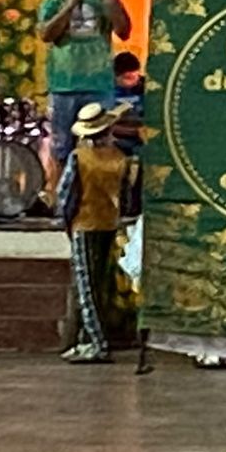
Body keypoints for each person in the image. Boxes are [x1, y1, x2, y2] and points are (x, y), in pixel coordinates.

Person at [56, 103, 139, 365]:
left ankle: (96, 343)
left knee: (86, 288)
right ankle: (90, 339)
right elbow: (126, 198)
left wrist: (66, 223)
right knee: (100, 285)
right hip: (109, 224)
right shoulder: (120, 158)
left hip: (85, 224)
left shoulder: (79, 158)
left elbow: (65, 196)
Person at [38, 0, 132, 172]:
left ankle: (97, 194)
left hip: (97, 84)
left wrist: (114, 6)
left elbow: (124, 32)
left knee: (99, 149)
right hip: (64, 85)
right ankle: (61, 193)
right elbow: (46, 35)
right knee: (61, 149)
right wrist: (71, 2)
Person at [112, 51, 146, 157]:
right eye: (128, 78)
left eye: (136, 76)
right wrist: (134, 131)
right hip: (116, 140)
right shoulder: (105, 92)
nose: (134, 81)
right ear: (116, 76)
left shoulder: (147, 88)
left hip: (143, 139)